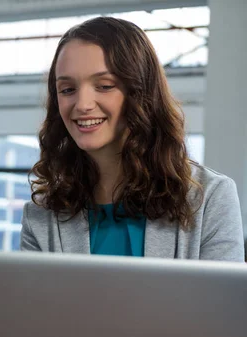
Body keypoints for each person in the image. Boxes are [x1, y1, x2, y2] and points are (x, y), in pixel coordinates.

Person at [21, 17, 244, 261]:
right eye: (67, 89)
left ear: (141, 92)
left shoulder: (210, 199)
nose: (82, 105)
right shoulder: (41, 215)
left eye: (105, 86)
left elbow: (222, 300)